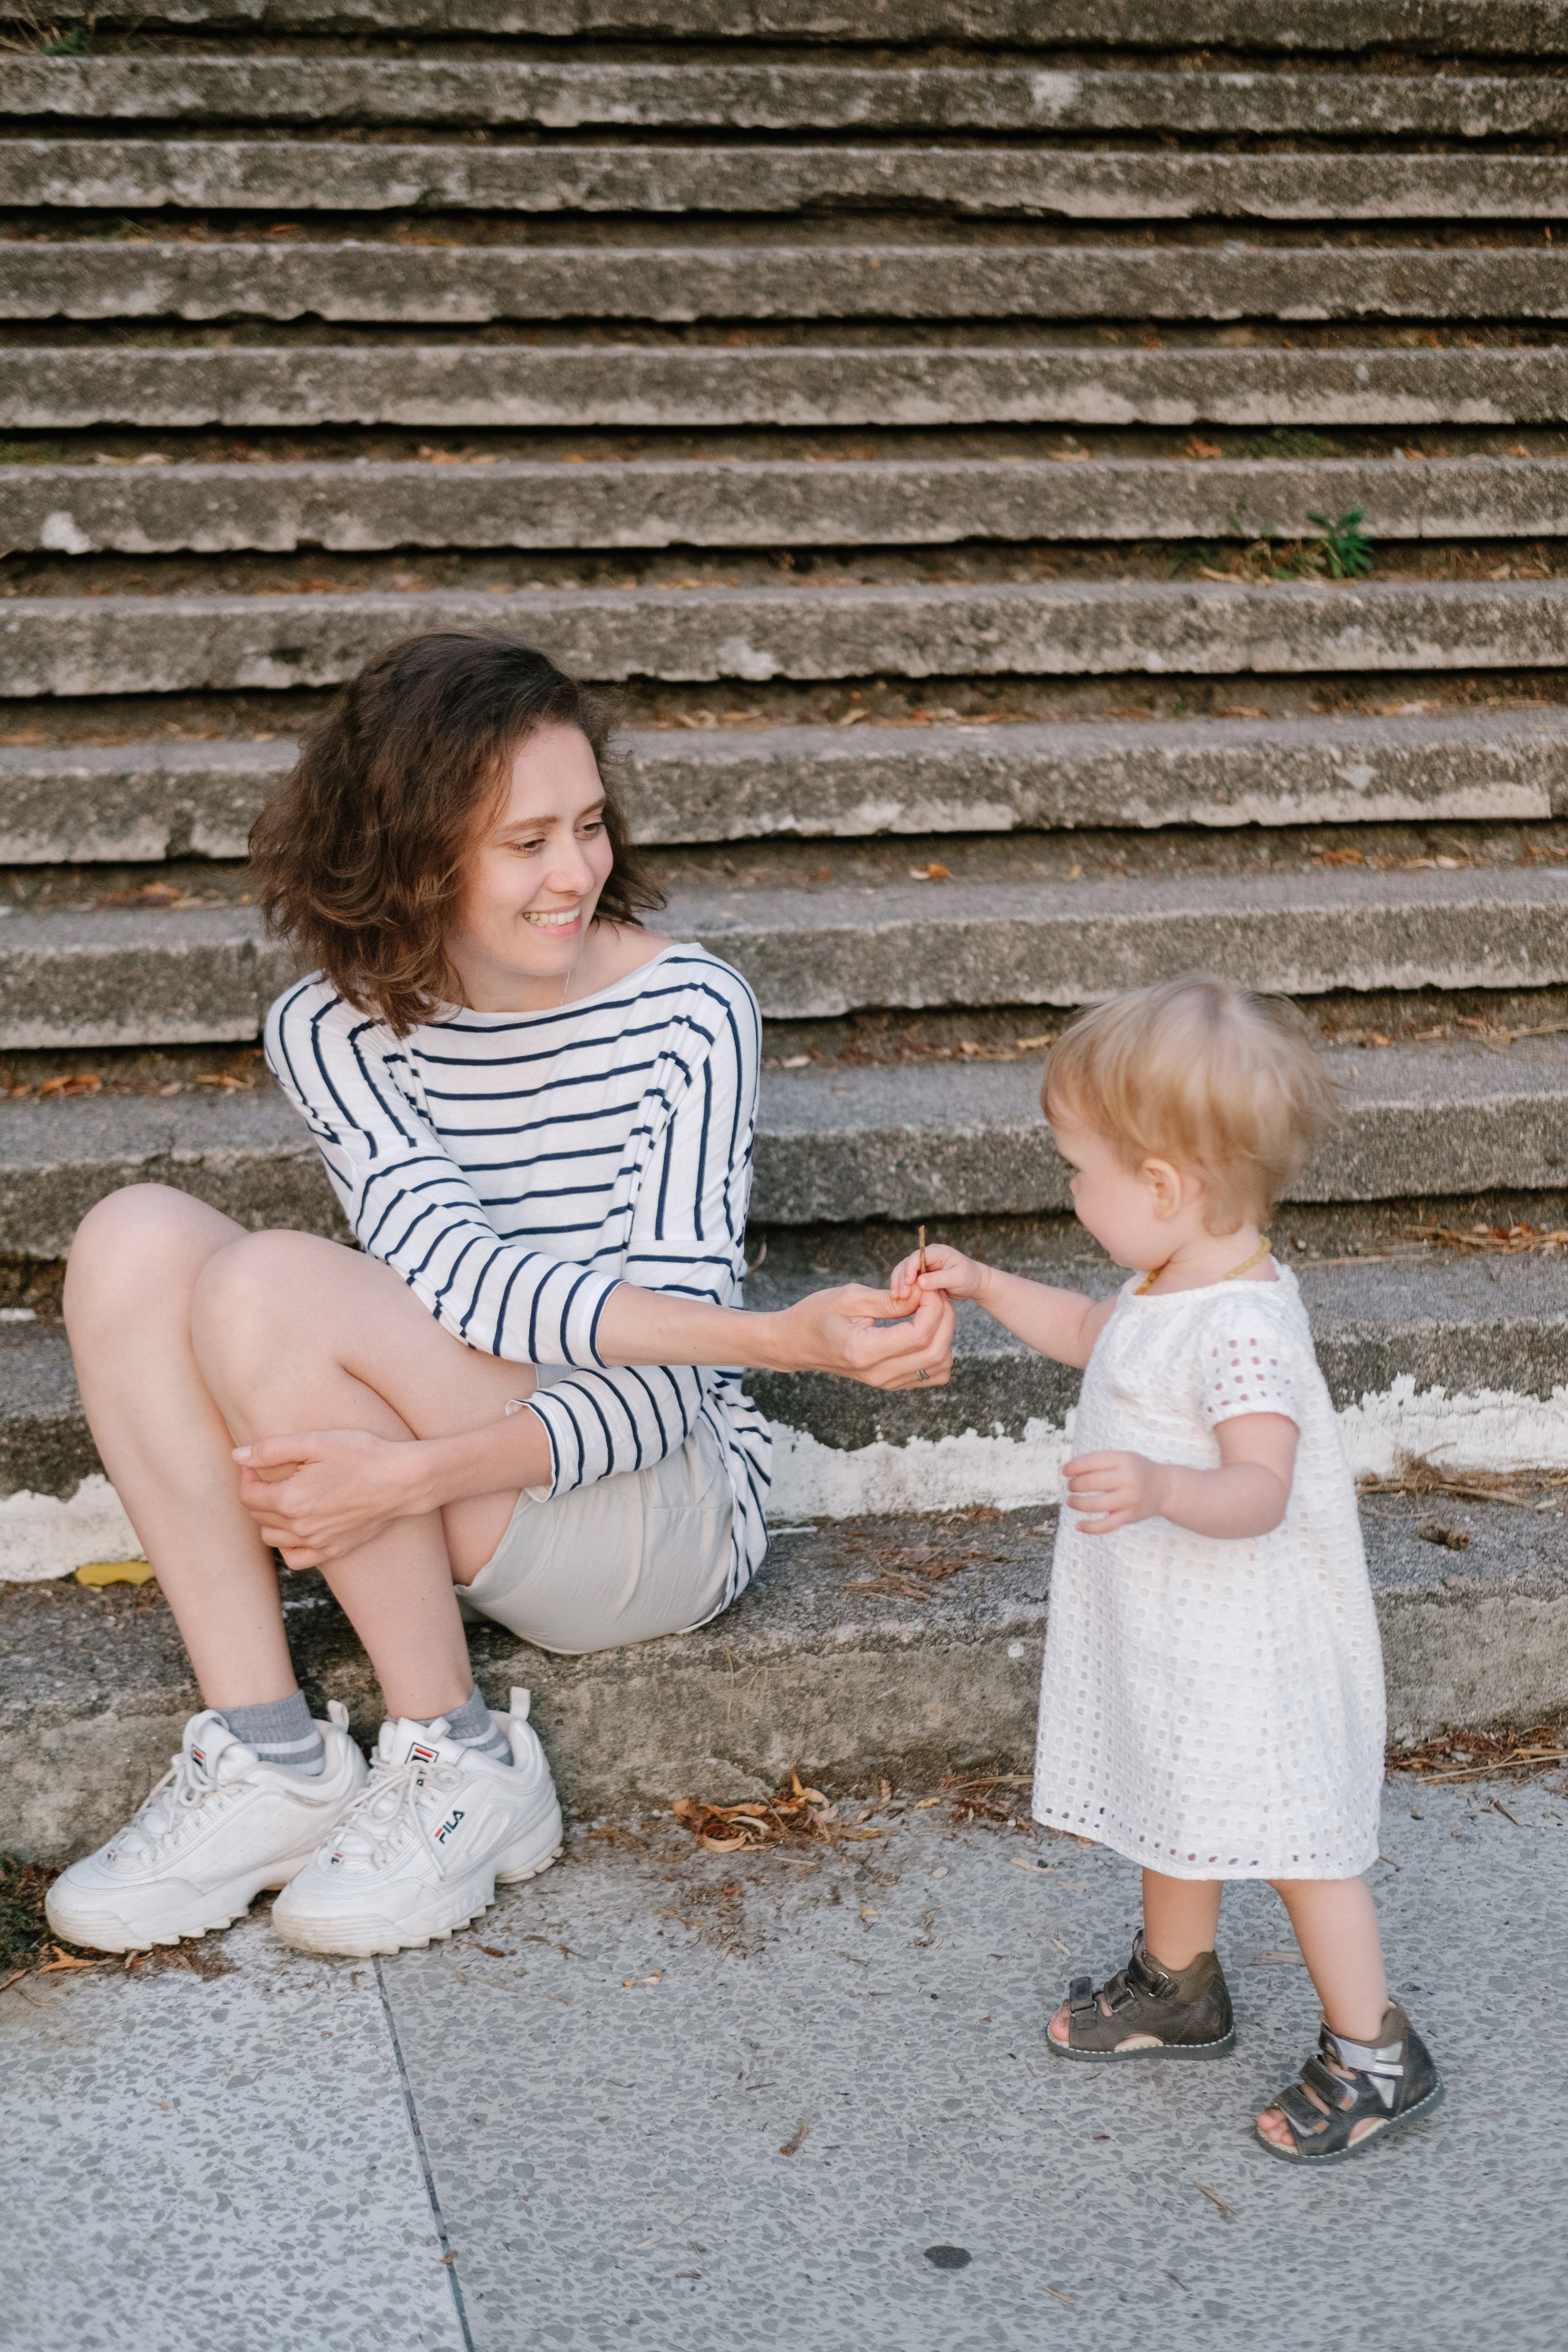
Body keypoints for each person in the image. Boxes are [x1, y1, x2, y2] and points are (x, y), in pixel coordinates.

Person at [48, 632, 952, 1962]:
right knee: (132, 1241)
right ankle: (270, 1762)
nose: (575, 872)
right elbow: (458, 1285)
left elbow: (658, 1402)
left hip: (658, 1506)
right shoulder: (331, 1026)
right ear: (412, 856)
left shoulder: (688, 1012)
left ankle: (460, 1757)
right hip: (476, 1462)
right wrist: (772, 1333)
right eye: (524, 842)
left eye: (587, 825)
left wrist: (410, 1479)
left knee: (268, 1288)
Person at [889, 976, 1442, 2163]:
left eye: (1077, 1172)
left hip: (1252, 1649)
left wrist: (1155, 1487)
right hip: (1175, 1637)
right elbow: (1098, 1336)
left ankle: (1373, 2053)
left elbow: (1259, 1486)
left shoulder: (1242, 1329)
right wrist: (984, 1290)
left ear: (1161, 1189)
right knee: (1172, 1795)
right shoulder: (1166, 1285)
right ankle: (1178, 1984)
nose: (1070, 1192)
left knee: (1300, 1843)